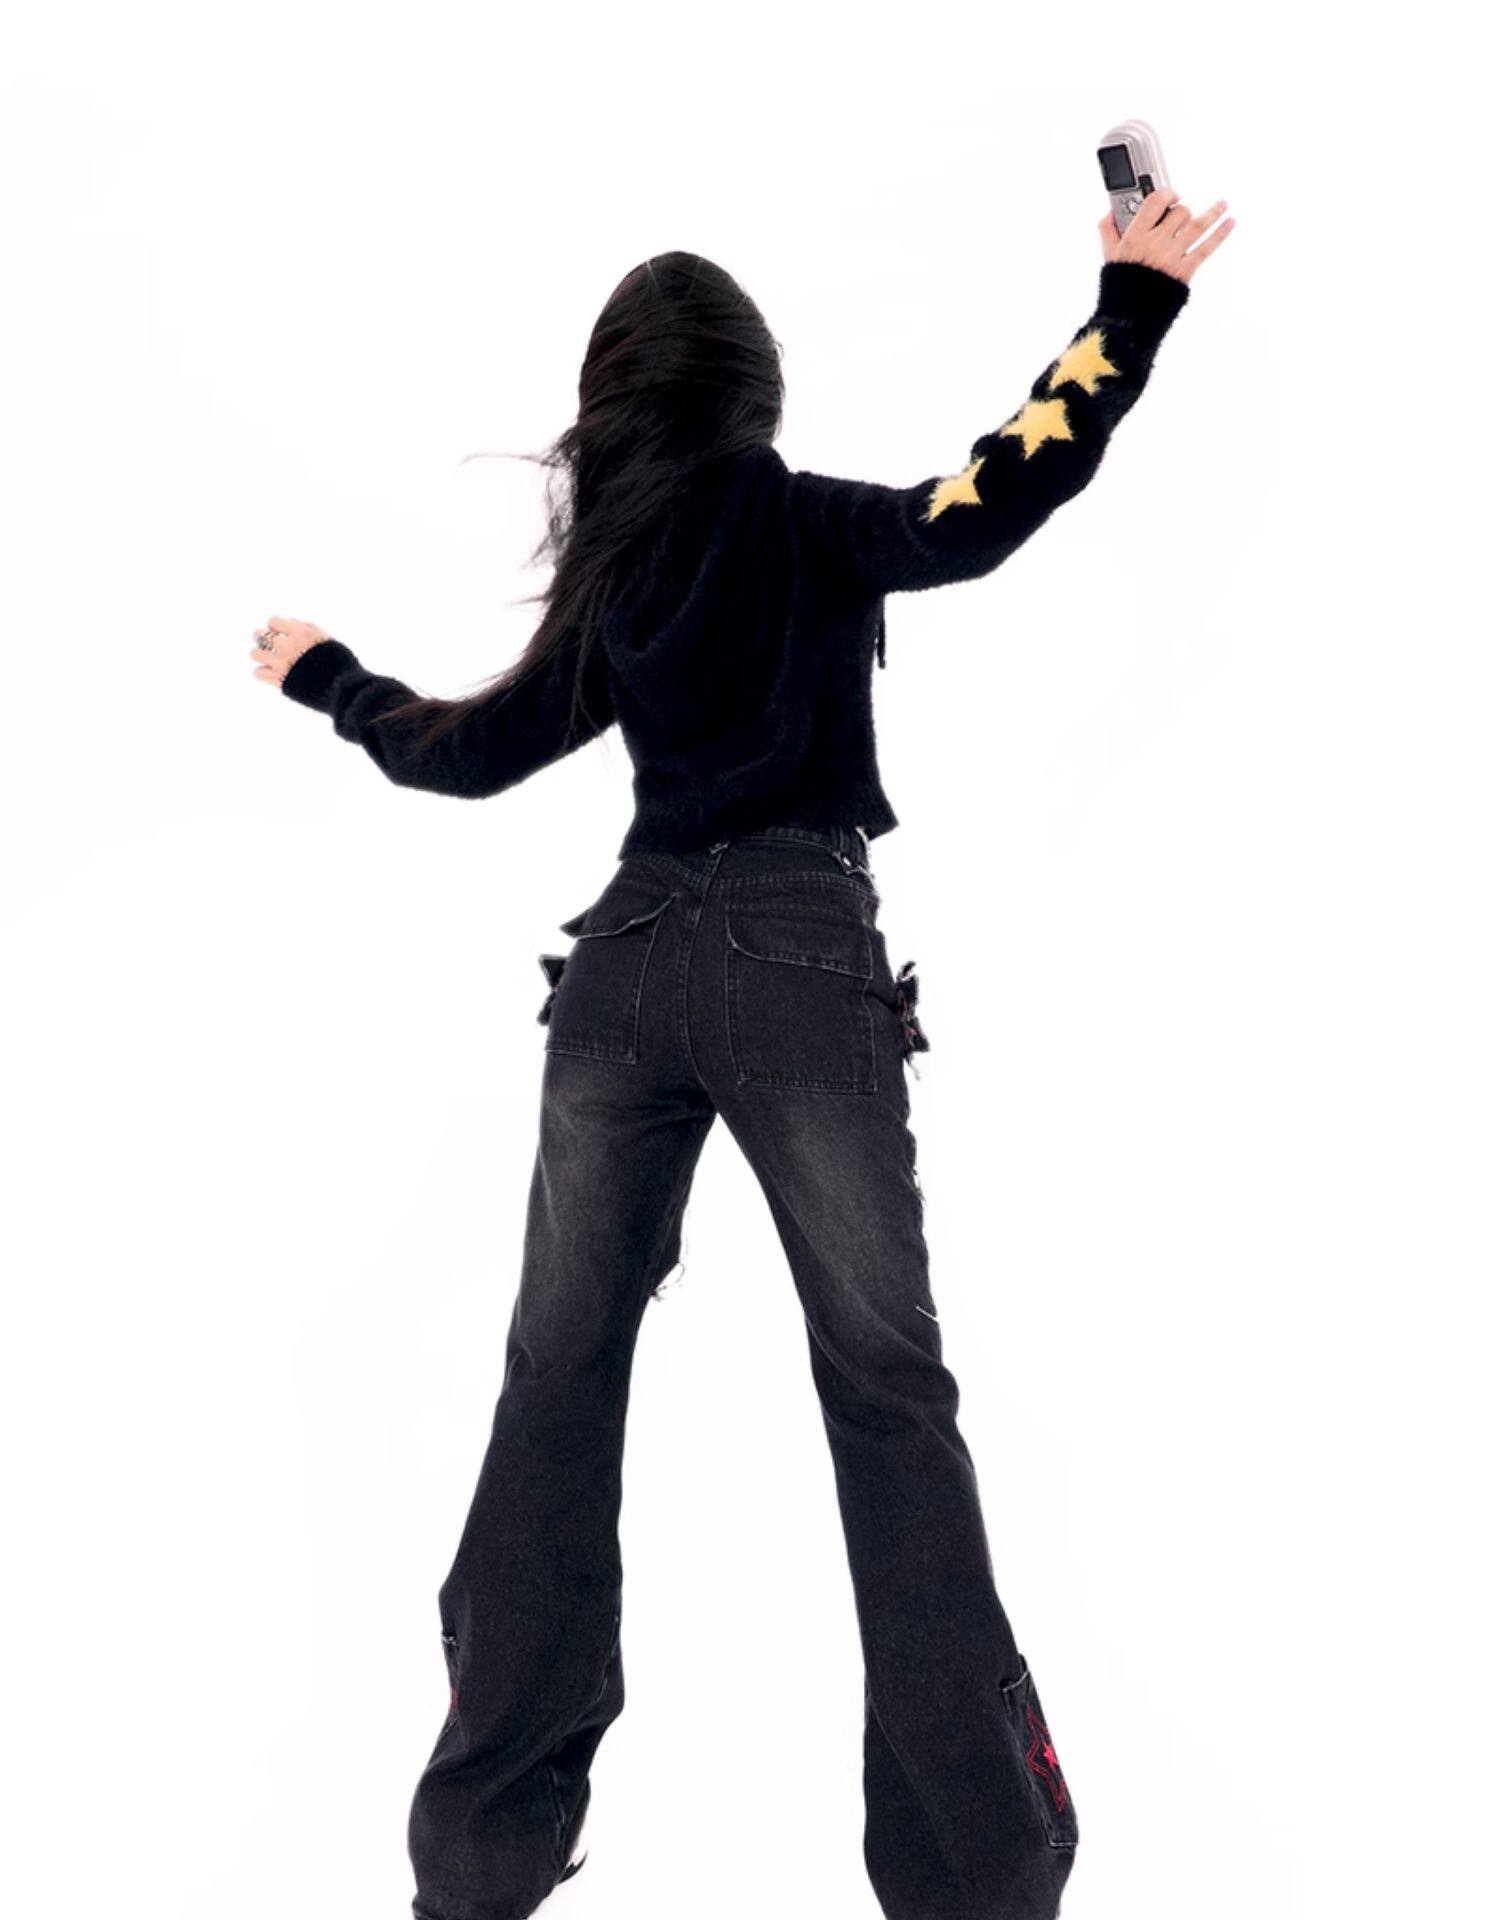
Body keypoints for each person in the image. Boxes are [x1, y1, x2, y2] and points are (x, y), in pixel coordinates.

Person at [250, 186, 1234, 1920]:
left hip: (621, 975)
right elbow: (989, 500)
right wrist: (1127, 314)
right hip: (795, 958)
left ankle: (477, 1861)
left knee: (558, 1383)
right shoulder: (803, 522)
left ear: (613, 402)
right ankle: (977, 1879)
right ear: (754, 389)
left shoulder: (622, 582)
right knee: (888, 1396)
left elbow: (463, 756)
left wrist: (330, 676)